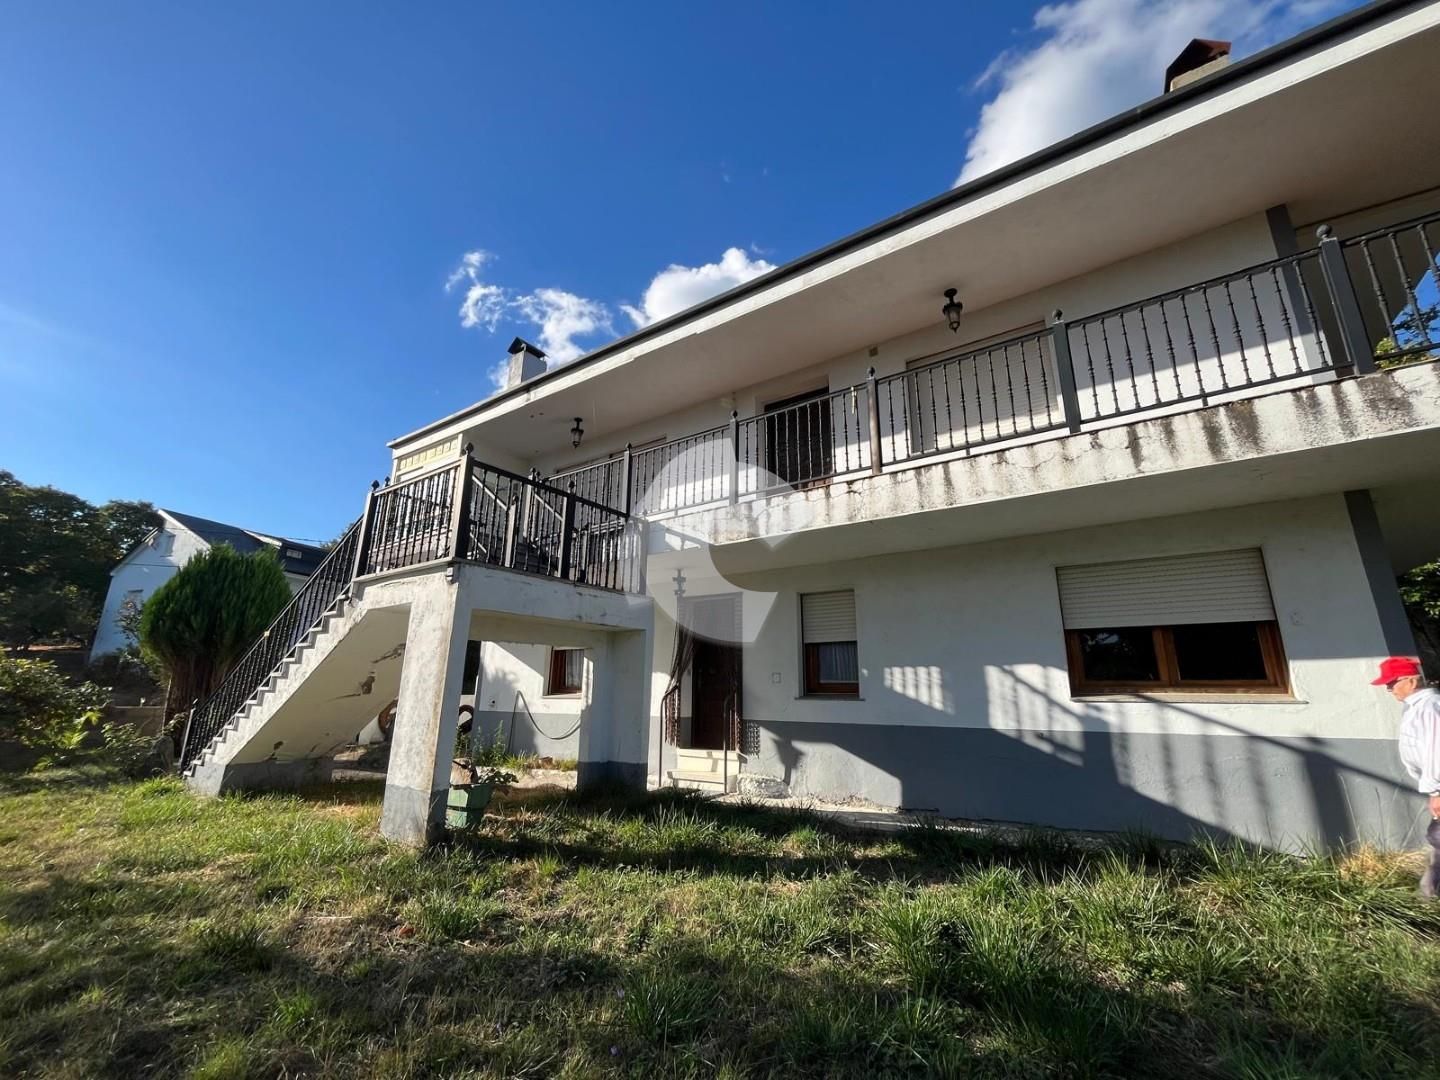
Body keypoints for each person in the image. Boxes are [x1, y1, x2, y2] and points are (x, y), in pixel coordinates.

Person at [1373, 656, 1440, 897]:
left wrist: (1436, 791)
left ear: (1411, 681)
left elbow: (1435, 750)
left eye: (1392, 682)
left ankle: (1428, 895)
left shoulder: (1429, 706)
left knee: (1438, 839)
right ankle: (1428, 894)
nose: (1388, 688)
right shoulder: (1416, 706)